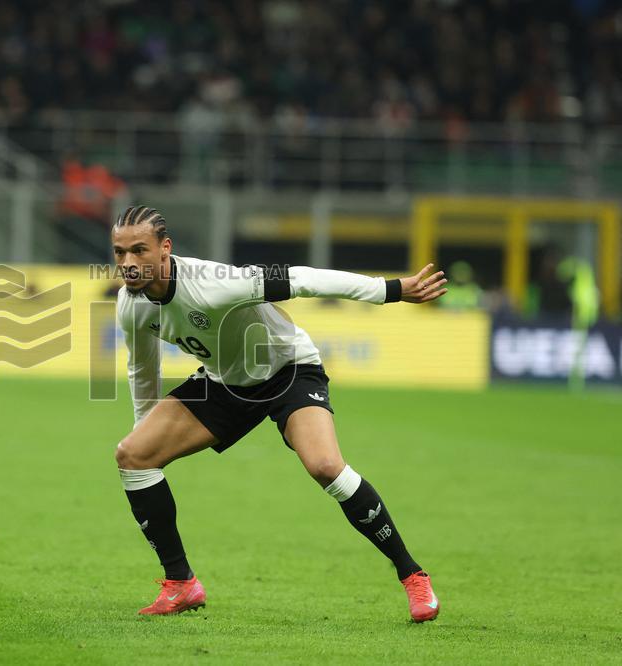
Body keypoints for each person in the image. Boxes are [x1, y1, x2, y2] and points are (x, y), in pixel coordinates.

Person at [112, 205, 447, 622]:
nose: (127, 263)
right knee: (133, 456)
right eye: (119, 253)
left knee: (326, 466)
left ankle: (412, 575)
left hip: (288, 371)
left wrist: (391, 290)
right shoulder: (131, 304)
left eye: (138, 251)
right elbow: (142, 367)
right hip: (225, 383)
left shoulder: (215, 284)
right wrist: (146, 429)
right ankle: (181, 584)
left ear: (165, 249)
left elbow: (302, 279)